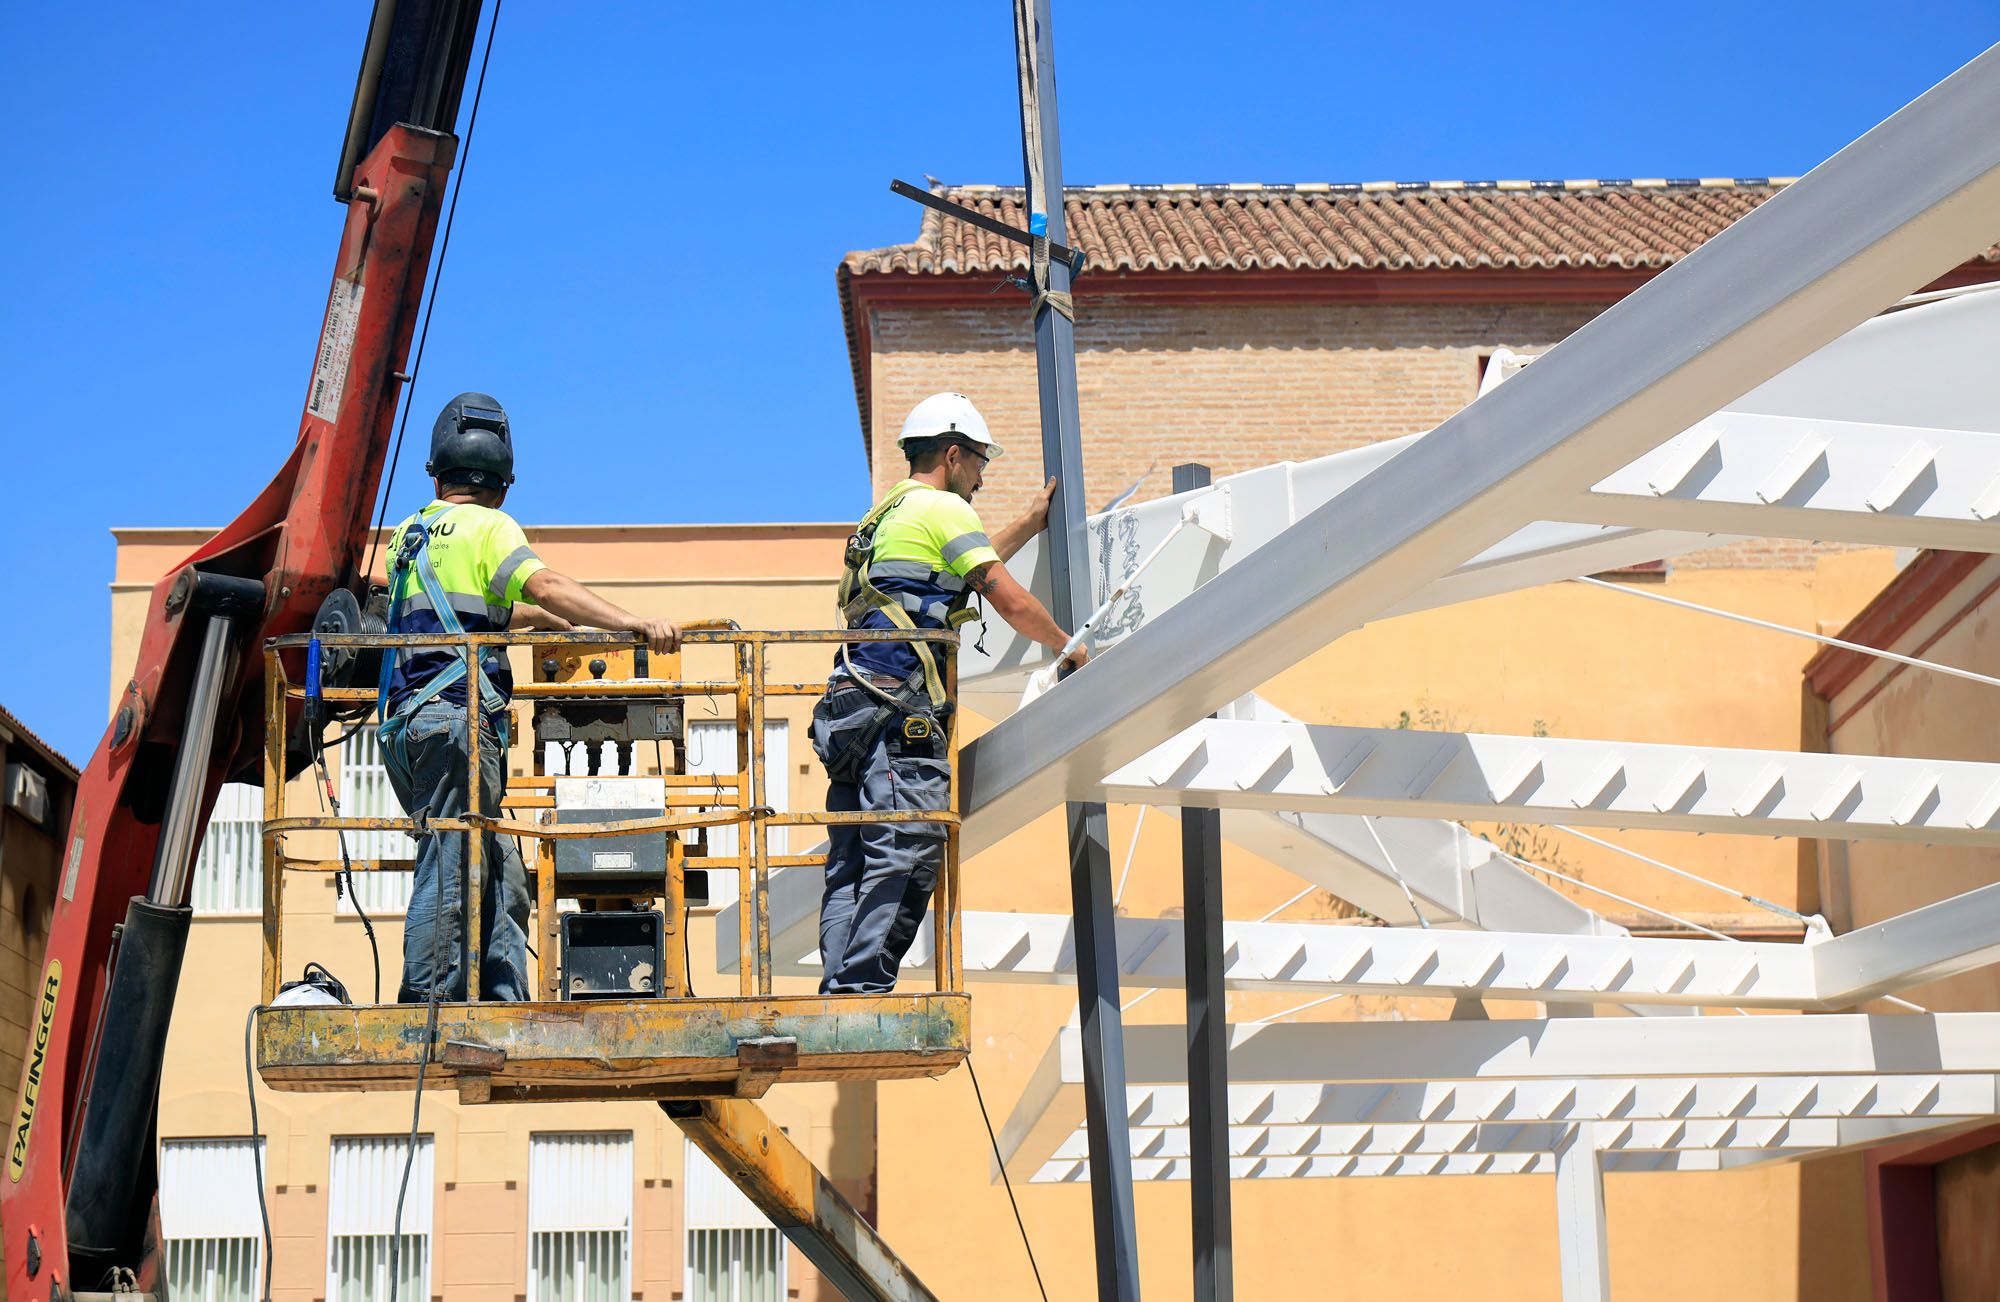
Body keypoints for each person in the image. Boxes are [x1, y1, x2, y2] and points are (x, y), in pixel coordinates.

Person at [376, 392, 683, 1003]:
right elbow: (544, 580)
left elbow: (461, 609)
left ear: (437, 475)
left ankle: (500, 992)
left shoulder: (408, 535)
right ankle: (430, 1000)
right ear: (503, 487)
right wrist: (630, 624)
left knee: (502, 868)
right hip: (458, 721)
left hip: (412, 725)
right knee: (453, 857)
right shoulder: (492, 527)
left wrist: (535, 620)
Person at [812, 392, 1086, 994]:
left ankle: (839, 984)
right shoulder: (943, 510)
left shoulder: (883, 515)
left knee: (851, 857)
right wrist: (1070, 648)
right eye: (982, 462)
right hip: (898, 710)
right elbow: (1006, 598)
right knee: (909, 847)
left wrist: (1023, 525)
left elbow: (950, 572)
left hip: (851, 705)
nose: (983, 478)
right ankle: (860, 991)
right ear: (954, 454)